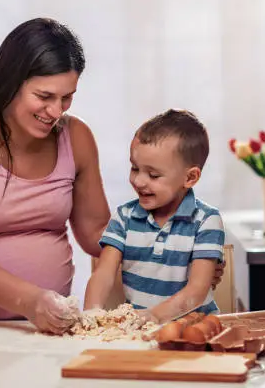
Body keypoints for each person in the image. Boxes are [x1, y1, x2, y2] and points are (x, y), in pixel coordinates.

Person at [0, 18, 224, 334]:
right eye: (44, 96)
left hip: (44, 330)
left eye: (67, 97)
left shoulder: (75, 136)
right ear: (10, 82)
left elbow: (97, 233)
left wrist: (183, 254)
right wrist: (30, 301)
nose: (55, 111)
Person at [84, 109, 225, 323]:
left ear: (190, 177)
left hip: (194, 331)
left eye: (153, 175)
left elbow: (196, 291)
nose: (139, 181)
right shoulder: (124, 217)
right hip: (143, 331)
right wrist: (91, 314)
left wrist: (154, 316)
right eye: (134, 168)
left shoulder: (206, 221)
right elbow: (103, 274)